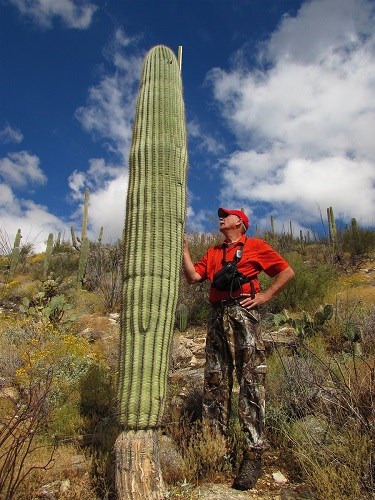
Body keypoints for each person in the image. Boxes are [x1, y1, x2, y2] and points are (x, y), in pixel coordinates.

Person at [183, 207, 295, 491]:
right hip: (216, 316)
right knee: (215, 382)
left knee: (250, 381)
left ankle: (253, 453)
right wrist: (183, 251)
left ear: (241, 223)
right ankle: (214, 448)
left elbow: (287, 272)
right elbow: (194, 278)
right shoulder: (212, 252)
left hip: (243, 315)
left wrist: (265, 295)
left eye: (227, 215)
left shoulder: (256, 246)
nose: (221, 217)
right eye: (221, 214)